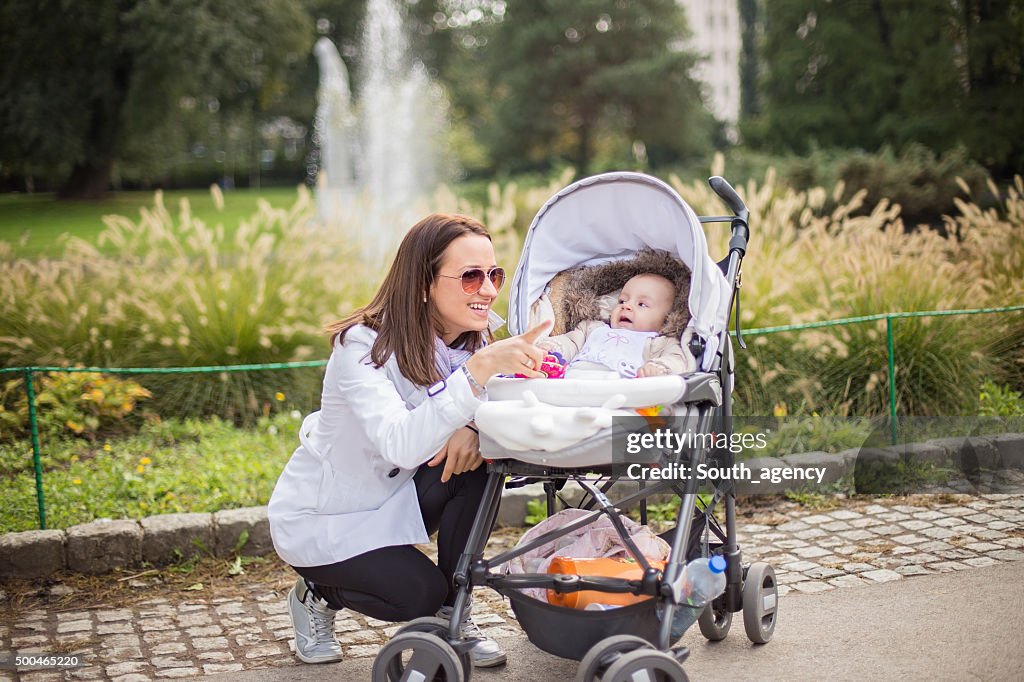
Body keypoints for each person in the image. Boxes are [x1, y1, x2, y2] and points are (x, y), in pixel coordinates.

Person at [267, 213, 551, 667]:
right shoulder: (362, 345)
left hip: (398, 495)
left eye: (494, 274)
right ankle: (317, 593)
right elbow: (401, 444)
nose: (489, 290)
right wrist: (477, 377)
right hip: (328, 517)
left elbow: (498, 407)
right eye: (471, 277)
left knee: (480, 462)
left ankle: (454, 615)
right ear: (423, 284)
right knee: (417, 594)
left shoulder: (477, 340)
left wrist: (474, 427)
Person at [538, 273, 694, 378]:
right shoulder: (592, 328)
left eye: (642, 304)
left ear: (667, 318)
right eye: (622, 301)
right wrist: (552, 349)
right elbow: (570, 342)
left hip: (620, 391)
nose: (626, 306)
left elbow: (678, 360)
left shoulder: (659, 342)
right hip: (574, 384)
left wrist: (659, 368)